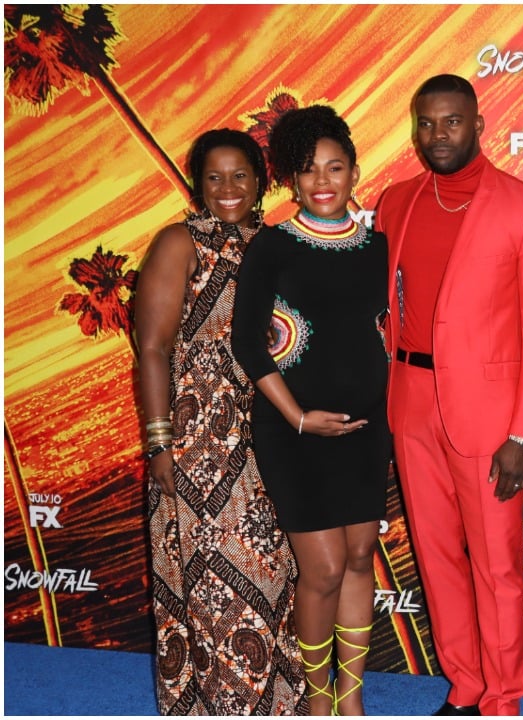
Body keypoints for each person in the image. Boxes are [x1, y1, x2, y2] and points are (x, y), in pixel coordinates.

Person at [374, 74, 523, 716]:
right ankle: (465, 689)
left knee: (496, 565)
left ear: (478, 124)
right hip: (410, 401)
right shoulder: (395, 203)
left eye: (452, 121)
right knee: (435, 558)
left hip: (487, 417)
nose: (438, 135)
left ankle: (503, 699)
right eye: (426, 123)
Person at [134, 128, 308, 715]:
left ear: (261, 181)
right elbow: (153, 348)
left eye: (240, 175)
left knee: (274, 567)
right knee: (211, 575)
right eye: (214, 177)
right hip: (200, 437)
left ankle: (276, 701)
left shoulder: (281, 243)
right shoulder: (179, 242)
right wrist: (160, 443)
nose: (228, 188)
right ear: (197, 184)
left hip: (273, 425)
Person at [231, 105, 391, 716]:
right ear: (292, 182)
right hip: (294, 431)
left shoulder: (378, 246)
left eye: (335, 167)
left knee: (357, 557)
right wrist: (298, 417)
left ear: (354, 172)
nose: (323, 181)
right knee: (321, 568)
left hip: (367, 430)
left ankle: (352, 700)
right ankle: (317, 702)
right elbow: (248, 342)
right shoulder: (273, 246)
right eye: (308, 171)